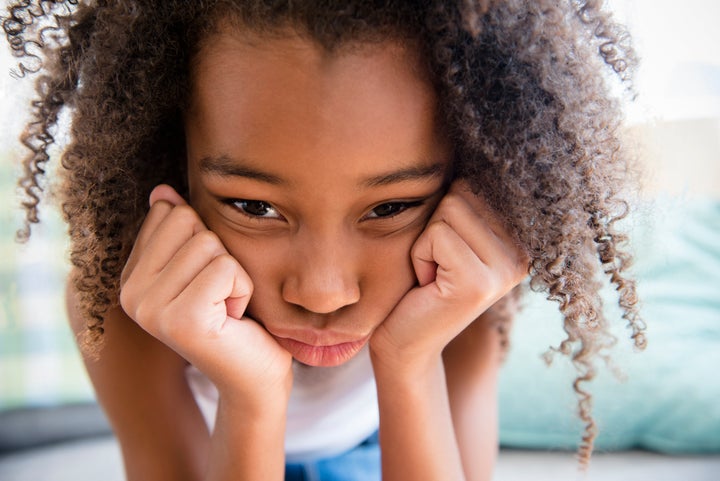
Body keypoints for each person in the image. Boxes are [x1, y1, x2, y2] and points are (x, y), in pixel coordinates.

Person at [3, 1, 646, 480]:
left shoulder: (463, 296)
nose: (323, 293)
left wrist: (411, 360)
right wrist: (251, 397)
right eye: (254, 206)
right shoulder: (128, 312)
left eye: (391, 206)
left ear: (465, 184)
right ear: (172, 167)